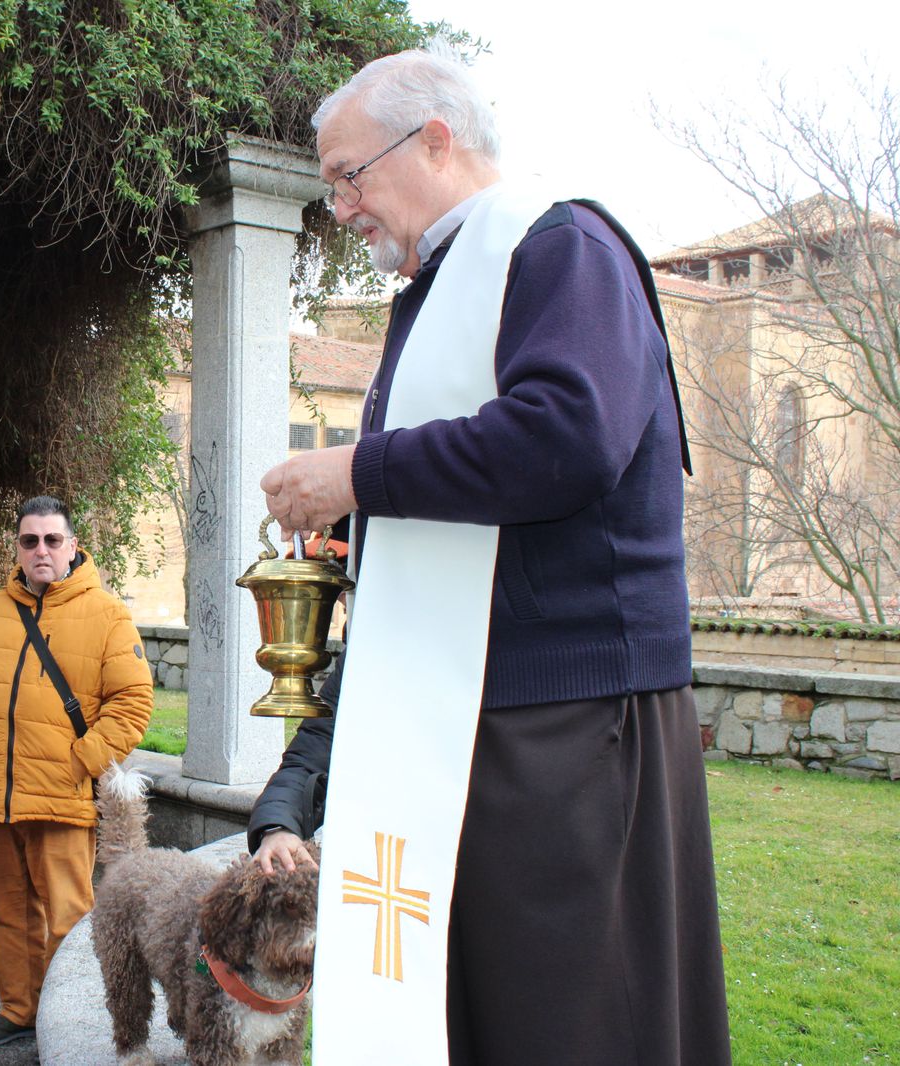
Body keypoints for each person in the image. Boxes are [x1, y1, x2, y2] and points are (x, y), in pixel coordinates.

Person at [247, 47, 730, 1065]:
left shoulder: (560, 246)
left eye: (348, 176)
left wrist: (358, 475)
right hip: (466, 713)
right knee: (467, 1009)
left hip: (567, 715)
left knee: (565, 1019)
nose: (340, 209)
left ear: (434, 138)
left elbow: (567, 437)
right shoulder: (446, 282)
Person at [0, 495, 154, 1048]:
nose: (41, 550)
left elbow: (133, 701)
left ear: (73, 546)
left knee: (69, 919)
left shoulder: (106, 614)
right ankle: (20, 1010)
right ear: (18, 548)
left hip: (61, 799)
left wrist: (79, 763)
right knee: (8, 915)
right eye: (30, 541)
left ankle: (70, 1026)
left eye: (53, 540)